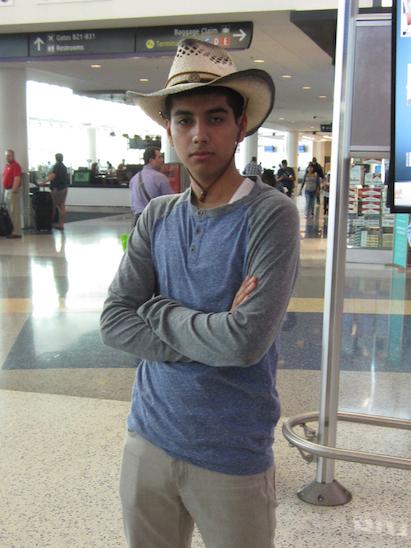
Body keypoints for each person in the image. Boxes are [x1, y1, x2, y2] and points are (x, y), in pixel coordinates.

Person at [100, 38, 300, 548]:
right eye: (184, 120)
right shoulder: (158, 216)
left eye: (215, 118)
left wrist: (159, 308)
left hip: (231, 451)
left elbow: (243, 342)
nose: (199, 134)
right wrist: (211, 328)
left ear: (240, 127)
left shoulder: (270, 215)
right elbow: (115, 320)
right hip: (147, 435)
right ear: (169, 129)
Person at [128, 146, 173, 227]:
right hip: (154, 221)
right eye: (159, 157)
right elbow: (170, 202)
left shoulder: (134, 179)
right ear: (151, 161)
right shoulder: (160, 177)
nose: (162, 160)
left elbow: (133, 204)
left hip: (137, 222)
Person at [2, 149, 22, 239]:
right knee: (10, 212)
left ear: (13, 156)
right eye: (6, 155)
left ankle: (16, 232)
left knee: (14, 212)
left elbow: (17, 178)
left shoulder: (16, 166)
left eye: (9, 155)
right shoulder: (7, 166)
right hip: (7, 190)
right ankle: (11, 230)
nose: (7, 157)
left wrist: (14, 190)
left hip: (13, 191)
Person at [47, 153, 69, 230]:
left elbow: (53, 176)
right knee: (62, 206)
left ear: (56, 158)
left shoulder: (56, 166)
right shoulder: (64, 167)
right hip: (64, 188)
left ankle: (50, 223)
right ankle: (61, 224)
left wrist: (44, 181)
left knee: (53, 205)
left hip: (57, 189)